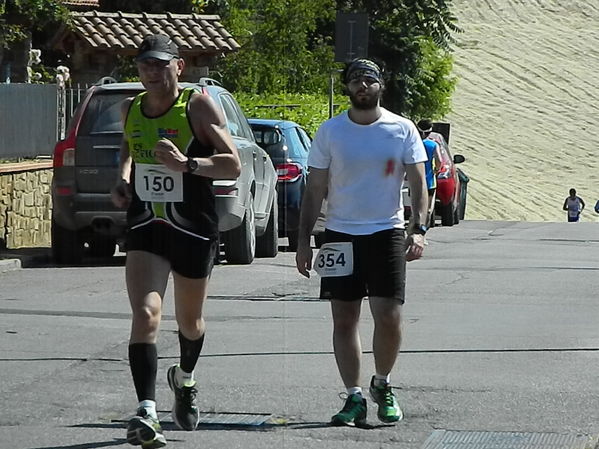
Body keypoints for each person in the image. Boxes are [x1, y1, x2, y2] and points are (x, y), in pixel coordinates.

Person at [111, 34, 241, 448]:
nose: (152, 71)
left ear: (178, 67)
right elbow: (129, 146)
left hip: (192, 228)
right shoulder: (131, 107)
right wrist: (124, 178)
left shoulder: (197, 106)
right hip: (147, 225)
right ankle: (146, 410)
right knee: (147, 313)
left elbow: (233, 164)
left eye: (160, 64)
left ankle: (184, 379)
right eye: (145, 64)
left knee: (190, 322)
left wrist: (188, 163)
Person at [295, 58, 428, 426]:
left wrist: (419, 229)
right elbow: (315, 189)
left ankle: (382, 383)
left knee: (388, 316)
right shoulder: (331, 132)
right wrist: (303, 241)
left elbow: (419, 185)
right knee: (344, 319)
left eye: (369, 80)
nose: (362, 86)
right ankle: (353, 396)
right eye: (355, 81)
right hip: (340, 233)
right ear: (347, 88)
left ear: (381, 85)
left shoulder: (401, 129)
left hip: (386, 231)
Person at [416, 119, 442, 229]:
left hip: (415, 180)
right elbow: (439, 161)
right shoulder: (433, 144)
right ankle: (422, 230)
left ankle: (413, 227)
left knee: (415, 207)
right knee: (428, 209)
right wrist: (436, 170)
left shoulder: (413, 143)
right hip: (430, 181)